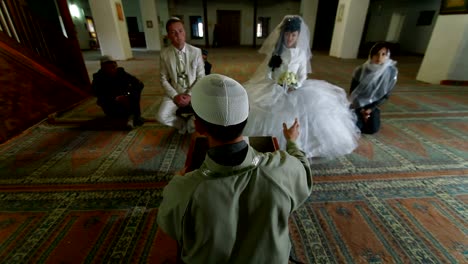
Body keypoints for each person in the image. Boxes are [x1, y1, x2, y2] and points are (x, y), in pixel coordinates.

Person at [157, 74, 313, 263]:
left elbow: (170, 226)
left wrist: (178, 181)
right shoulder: (282, 169)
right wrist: (292, 143)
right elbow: (303, 170)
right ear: (246, 116)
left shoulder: (184, 190)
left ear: (198, 126)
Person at [242, 15, 360, 158]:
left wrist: (295, 84)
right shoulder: (277, 52)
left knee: (303, 114)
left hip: (294, 88)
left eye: (293, 35)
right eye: (287, 34)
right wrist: (276, 82)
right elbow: (269, 73)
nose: (290, 38)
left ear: (298, 36)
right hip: (275, 88)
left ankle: (297, 143)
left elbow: (303, 74)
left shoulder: (301, 54)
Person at [156, 17, 205, 134]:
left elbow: (201, 77)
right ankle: (183, 124)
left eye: (181, 30)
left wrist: (189, 95)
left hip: (194, 91)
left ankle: (190, 124)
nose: (178, 35)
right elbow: (163, 78)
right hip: (175, 91)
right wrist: (174, 95)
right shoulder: (164, 54)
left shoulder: (196, 51)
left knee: (206, 112)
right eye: (173, 32)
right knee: (161, 116)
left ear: (185, 32)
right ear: (168, 35)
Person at [349, 42, 398, 134]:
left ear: (388, 56)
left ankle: (371, 115)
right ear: (371, 55)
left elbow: (386, 95)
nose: (379, 58)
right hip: (358, 105)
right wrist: (362, 110)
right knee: (356, 128)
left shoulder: (391, 72)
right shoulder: (360, 70)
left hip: (373, 105)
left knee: (372, 129)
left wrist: (370, 109)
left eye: (383, 54)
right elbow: (353, 93)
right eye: (376, 54)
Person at [91, 55, 145, 127]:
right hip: (110, 103)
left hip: (125, 99)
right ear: (103, 67)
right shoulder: (98, 77)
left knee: (135, 92)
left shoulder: (120, 72)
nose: (112, 70)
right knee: (118, 117)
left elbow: (138, 84)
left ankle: (134, 116)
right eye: (108, 67)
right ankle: (131, 117)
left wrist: (127, 95)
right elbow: (96, 93)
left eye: (113, 67)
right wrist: (115, 98)